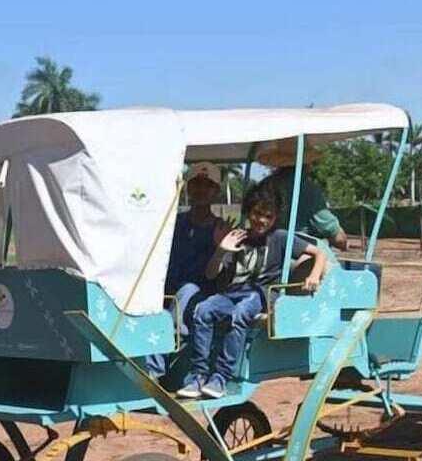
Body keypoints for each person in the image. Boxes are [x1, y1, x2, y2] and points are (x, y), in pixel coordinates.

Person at [177, 183, 328, 399]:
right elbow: (211, 274)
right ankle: (198, 375)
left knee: (240, 313)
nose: (262, 221)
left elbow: (319, 253)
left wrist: (313, 275)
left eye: (268, 216)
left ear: (275, 218)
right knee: (203, 311)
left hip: (261, 294)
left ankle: (221, 376)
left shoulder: (280, 237)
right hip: (232, 293)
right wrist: (221, 251)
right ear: (249, 212)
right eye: (258, 214)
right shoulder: (238, 237)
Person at [145, 162, 230, 380]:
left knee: (187, 291)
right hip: (168, 290)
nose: (201, 190)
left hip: (201, 294)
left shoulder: (221, 228)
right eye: (196, 184)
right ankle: (151, 372)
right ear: (188, 188)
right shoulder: (173, 223)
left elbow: (221, 275)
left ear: (216, 192)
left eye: (207, 185)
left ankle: (174, 353)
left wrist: (220, 248)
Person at [257, 138, 349, 251]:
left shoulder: (264, 185)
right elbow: (336, 236)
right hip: (296, 254)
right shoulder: (309, 189)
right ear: (307, 163)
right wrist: (342, 242)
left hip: (267, 250)